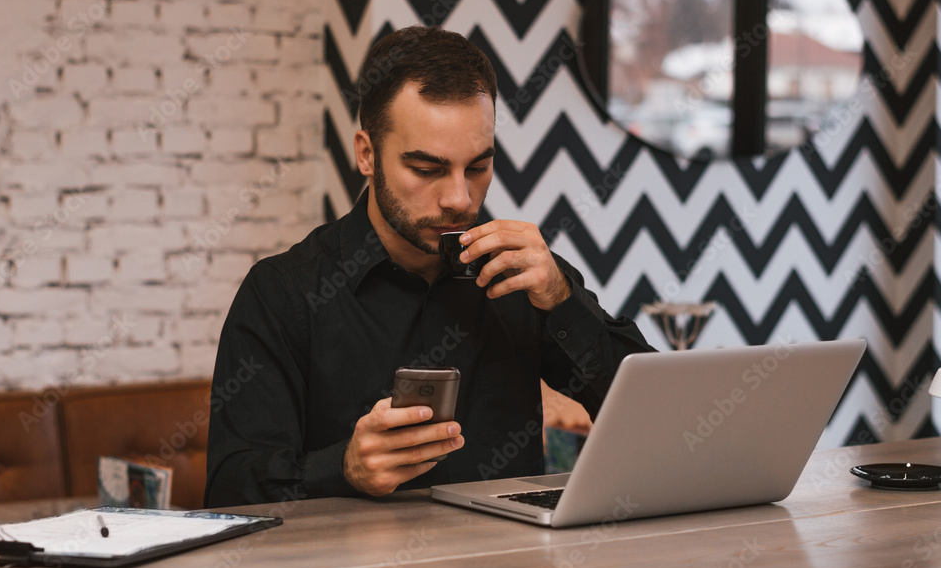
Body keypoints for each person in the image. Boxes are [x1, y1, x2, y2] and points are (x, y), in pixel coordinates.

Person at [204, 25, 654, 507]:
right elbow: (230, 489)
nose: (460, 199)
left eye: (478, 167)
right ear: (367, 154)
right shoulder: (283, 294)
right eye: (427, 169)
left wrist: (562, 300)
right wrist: (343, 468)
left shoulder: (522, 274)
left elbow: (651, 421)